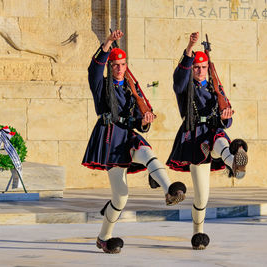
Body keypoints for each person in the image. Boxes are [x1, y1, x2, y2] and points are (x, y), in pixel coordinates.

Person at [82, 30, 187, 254]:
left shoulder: (132, 90)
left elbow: (141, 122)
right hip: (111, 139)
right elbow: (94, 69)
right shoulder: (100, 86)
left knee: (147, 152)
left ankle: (169, 190)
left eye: (123, 64)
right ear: (110, 66)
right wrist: (108, 43)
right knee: (120, 197)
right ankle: (103, 238)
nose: (120, 68)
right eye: (116, 64)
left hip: (129, 135)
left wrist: (146, 120)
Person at [166, 32, 248, 250]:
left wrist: (226, 117)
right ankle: (198, 233)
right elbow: (178, 79)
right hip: (194, 136)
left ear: (207, 68)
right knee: (202, 198)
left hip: (212, 132)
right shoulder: (184, 88)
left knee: (221, 140)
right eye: (196, 67)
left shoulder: (215, 88)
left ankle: (235, 164)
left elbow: (226, 117)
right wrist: (189, 48)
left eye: (202, 67)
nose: (199, 70)